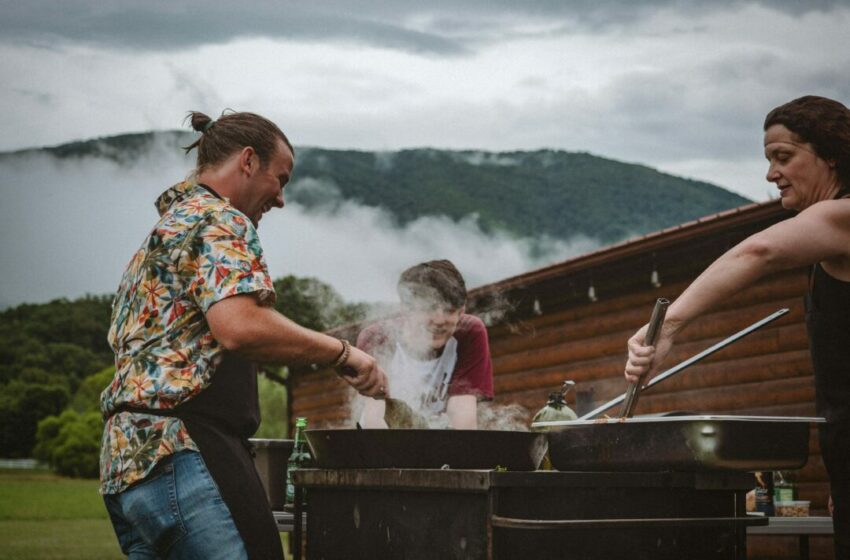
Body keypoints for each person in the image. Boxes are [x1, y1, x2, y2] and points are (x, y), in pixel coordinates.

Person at [99, 110, 387, 560]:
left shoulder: (166, 230)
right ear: (249, 161)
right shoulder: (221, 219)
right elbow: (240, 327)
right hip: (182, 451)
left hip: (127, 469)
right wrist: (344, 354)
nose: (281, 198)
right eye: (282, 179)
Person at [624, 95, 850, 559]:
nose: (771, 175)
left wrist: (669, 326)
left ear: (831, 154)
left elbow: (757, 252)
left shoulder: (842, 217)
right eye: (768, 160)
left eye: (783, 157)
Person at [358, 260, 494, 429]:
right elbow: (375, 414)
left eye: (449, 310)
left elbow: (462, 411)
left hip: (440, 442)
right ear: (406, 309)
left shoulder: (469, 333)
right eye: (428, 308)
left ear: (462, 311)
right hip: (385, 437)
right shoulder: (377, 338)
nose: (439, 320)